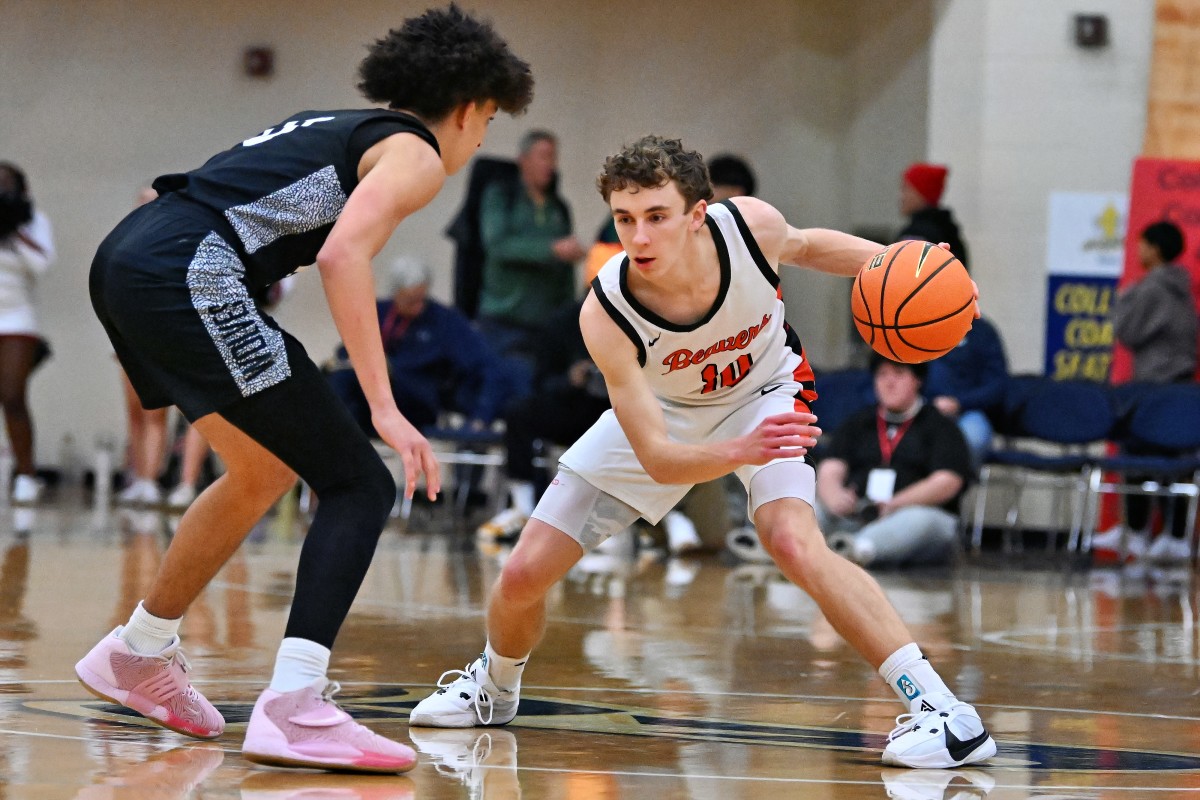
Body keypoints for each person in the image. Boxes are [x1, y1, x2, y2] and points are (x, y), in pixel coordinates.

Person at [411, 136, 996, 770]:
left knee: (794, 542)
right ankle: (494, 689)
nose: (639, 237)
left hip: (766, 391)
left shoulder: (750, 228)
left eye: (656, 216)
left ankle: (945, 712)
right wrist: (739, 450)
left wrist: (900, 265)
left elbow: (806, 246)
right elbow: (659, 459)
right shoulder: (606, 312)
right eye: (625, 219)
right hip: (667, 420)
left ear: (698, 214)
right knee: (522, 576)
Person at [76, 4, 533, 774]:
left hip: (131, 259)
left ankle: (138, 651)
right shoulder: (414, 154)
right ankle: (294, 706)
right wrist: (383, 407)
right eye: (487, 120)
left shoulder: (337, 124)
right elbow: (343, 259)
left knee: (263, 470)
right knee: (357, 483)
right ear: (464, 108)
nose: (481, 138)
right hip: (189, 273)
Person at [1094, 221, 1199, 564]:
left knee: (1138, 453)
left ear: (1154, 249)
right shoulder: (1182, 287)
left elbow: (1128, 330)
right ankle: (1174, 535)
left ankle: (1136, 532)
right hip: (1181, 390)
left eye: (1141, 244)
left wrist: (1123, 301)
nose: (1136, 251)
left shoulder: (1153, 287)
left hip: (1156, 388)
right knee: (1174, 461)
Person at [475, 295, 611, 544]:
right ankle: (522, 506)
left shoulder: (636, 322)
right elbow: (542, 382)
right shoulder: (562, 322)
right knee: (519, 412)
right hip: (570, 404)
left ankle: (622, 516)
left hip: (614, 409)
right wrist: (570, 379)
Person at [816, 354, 972, 568]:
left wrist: (896, 504)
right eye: (882, 375)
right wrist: (835, 497)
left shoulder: (940, 426)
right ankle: (783, 547)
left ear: (917, 380)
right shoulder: (859, 422)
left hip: (911, 517)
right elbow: (830, 469)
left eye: (899, 374)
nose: (889, 383)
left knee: (919, 520)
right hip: (858, 514)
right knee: (810, 506)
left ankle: (855, 550)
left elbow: (947, 481)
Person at [327, 255, 508, 436]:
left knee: (360, 379)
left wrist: (481, 417)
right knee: (340, 378)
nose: (418, 308)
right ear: (396, 293)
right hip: (372, 398)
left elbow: (486, 364)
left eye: (421, 299)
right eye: (410, 301)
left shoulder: (444, 320)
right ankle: (334, 441)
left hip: (417, 400)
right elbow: (346, 354)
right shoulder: (379, 312)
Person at [476, 129, 585, 372]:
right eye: (543, 156)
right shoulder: (502, 197)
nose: (550, 164)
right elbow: (498, 246)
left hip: (545, 322)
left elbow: (564, 268)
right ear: (523, 160)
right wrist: (551, 249)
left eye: (553, 157)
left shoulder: (559, 208)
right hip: (503, 320)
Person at [0, 162, 54, 504]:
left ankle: (26, 475)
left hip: (17, 319)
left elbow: (42, 265)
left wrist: (14, 231)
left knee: (12, 396)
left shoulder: (34, 221)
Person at [116, 187, 170, 507]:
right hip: (128, 336)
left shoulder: (171, 241)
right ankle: (137, 478)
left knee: (155, 414)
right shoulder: (124, 244)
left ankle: (150, 480)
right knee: (134, 413)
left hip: (161, 337)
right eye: (141, 200)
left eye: (151, 200)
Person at [922, 316, 1007, 471]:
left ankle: (954, 489)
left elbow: (997, 386)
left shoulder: (982, 331)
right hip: (923, 410)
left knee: (973, 438)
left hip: (969, 411)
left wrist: (959, 402)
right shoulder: (918, 328)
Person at [896, 162, 968, 268]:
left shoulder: (915, 234)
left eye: (906, 189)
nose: (901, 197)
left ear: (921, 194)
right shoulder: (950, 232)